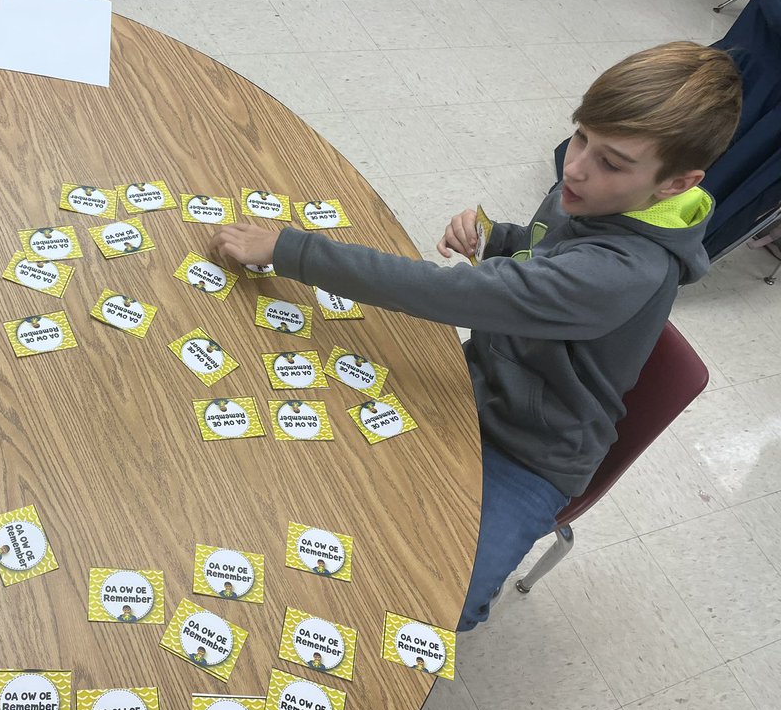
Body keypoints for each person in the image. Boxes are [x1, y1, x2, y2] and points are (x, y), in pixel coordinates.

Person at [212, 42, 742, 632]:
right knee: (298, 470)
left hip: (532, 453)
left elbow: (442, 295)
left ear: (677, 184)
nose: (576, 166)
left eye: (613, 161)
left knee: (438, 606)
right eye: (581, 135)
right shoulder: (599, 192)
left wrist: (291, 249)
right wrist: (502, 239)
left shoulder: (620, 274)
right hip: (476, 379)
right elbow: (549, 247)